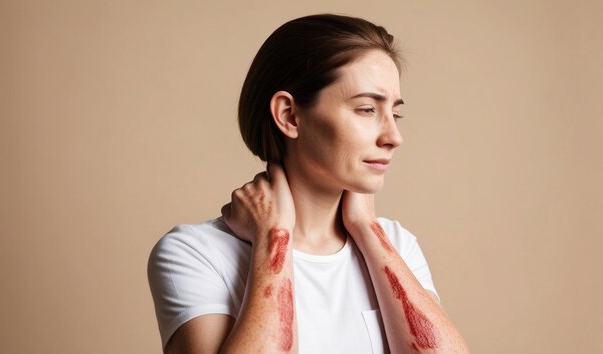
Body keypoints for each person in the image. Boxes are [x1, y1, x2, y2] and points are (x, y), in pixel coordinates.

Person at [148, 14, 469, 354]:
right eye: (365, 109)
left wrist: (367, 228)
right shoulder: (197, 254)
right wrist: (274, 238)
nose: (394, 136)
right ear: (289, 115)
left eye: (395, 113)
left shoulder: (397, 246)